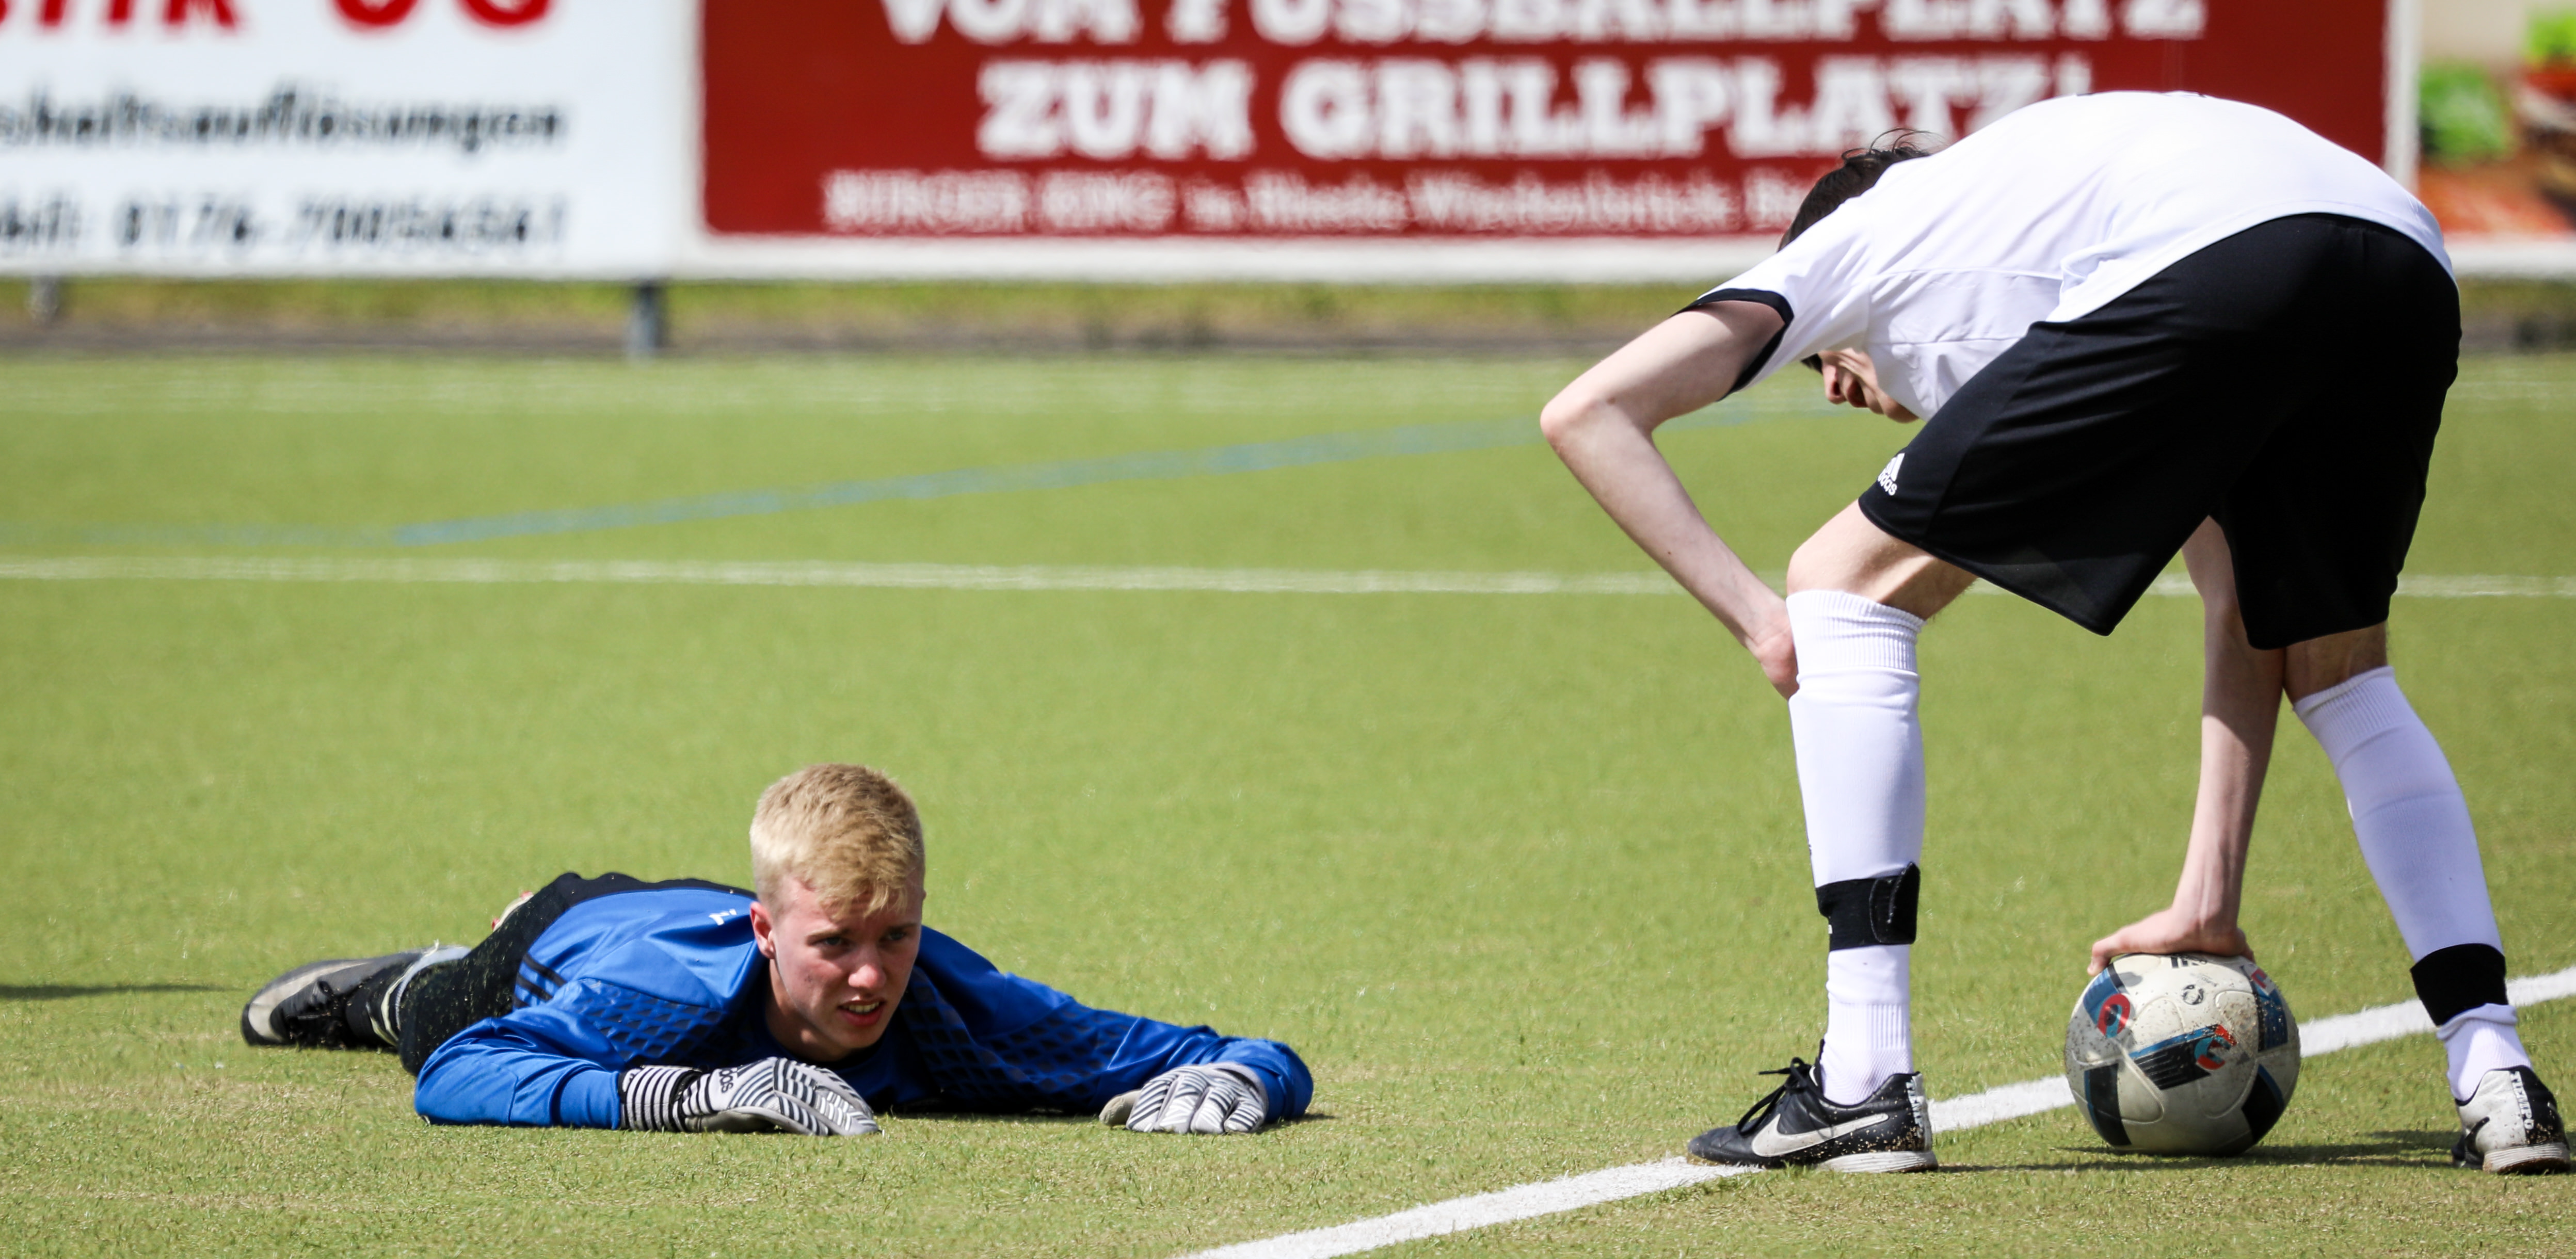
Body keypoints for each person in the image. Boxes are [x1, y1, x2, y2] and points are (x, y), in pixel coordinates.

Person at [1541, 91, 2565, 1174]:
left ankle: (1863, 1083)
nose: (1841, 390)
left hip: (2223, 255)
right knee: (2341, 672)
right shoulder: (2052, 216)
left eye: (1827, 364)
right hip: (2400, 259)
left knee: (1839, 585)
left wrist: (1767, 625)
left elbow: (1589, 412)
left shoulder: (1861, 239)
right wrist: (2208, 898)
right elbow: (2240, 608)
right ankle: (2499, 1076)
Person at [239, 763, 1312, 1137]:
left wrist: (1244, 1080)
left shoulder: (953, 996)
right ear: (771, 931)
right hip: (570, 936)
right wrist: (687, 1094)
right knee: (429, 1019)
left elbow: (1226, 1049)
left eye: (896, 934)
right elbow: (460, 1074)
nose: (872, 975)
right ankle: (400, 977)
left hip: (717, 910)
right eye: (837, 944)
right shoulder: (653, 1002)